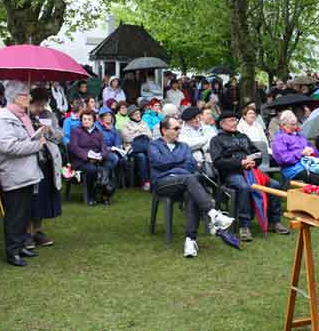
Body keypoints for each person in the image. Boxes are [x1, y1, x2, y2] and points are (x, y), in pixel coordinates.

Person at [148, 116, 234, 257]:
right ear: (164, 130)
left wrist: (173, 166)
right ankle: (213, 213)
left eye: (179, 128)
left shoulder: (183, 146)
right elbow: (159, 162)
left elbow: (191, 165)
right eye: (176, 128)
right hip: (163, 183)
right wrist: (179, 165)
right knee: (190, 178)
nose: (179, 131)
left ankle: (190, 240)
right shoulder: (154, 146)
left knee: (191, 191)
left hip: (184, 182)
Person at [0, 81, 44, 266]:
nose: (29, 97)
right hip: (13, 173)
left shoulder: (20, 116)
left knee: (23, 212)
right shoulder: (3, 120)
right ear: (15, 97)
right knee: (15, 214)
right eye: (25, 95)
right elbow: (8, 147)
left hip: (24, 172)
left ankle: (20, 246)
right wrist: (36, 145)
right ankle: (12, 251)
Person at [209, 111, 289, 242]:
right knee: (244, 187)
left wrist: (253, 162)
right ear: (222, 124)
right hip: (231, 174)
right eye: (231, 120)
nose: (235, 123)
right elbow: (218, 162)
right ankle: (244, 225)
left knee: (275, 185)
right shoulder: (216, 140)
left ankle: (274, 221)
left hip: (252, 171)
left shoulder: (243, 137)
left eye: (235, 120)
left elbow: (257, 153)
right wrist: (240, 163)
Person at [26, 88, 63, 248]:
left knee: (43, 197)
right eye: (37, 105)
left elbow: (60, 136)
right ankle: (26, 232)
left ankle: (37, 230)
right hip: (31, 162)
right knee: (31, 198)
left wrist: (49, 131)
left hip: (48, 161)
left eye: (43, 105)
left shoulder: (48, 116)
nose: (40, 109)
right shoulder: (23, 116)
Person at [68, 109, 115, 205]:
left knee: (109, 164)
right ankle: (91, 196)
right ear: (81, 120)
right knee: (91, 169)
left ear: (94, 121)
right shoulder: (76, 131)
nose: (86, 121)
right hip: (81, 161)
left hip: (97, 159)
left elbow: (104, 147)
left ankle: (105, 193)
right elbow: (73, 148)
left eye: (89, 119)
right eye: (84, 119)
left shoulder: (98, 132)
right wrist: (88, 156)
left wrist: (102, 155)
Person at [272, 110, 319, 185]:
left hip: (308, 164)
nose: (295, 127)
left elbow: (315, 151)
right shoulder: (280, 139)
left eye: (295, 124)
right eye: (292, 125)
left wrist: (312, 151)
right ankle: (316, 192)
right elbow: (283, 159)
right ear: (283, 125)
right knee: (316, 178)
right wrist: (301, 153)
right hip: (292, 169)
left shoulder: (300, 136)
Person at [121, 105, 152, 191]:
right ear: (131, 116)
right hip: (132, 148)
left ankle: (154, 179)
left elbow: (150, 135)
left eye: (138, 113)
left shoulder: (144, 123)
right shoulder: (125, 125)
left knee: (151, 155)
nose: (138, 115)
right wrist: (141, 133)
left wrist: (136, 132)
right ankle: (145, 182)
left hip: (145, 147)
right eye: (135, 114)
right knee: (142, 156)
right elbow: (127, 138)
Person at [96, 106, 128, 185]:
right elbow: (98, 143)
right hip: (101, 150)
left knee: (123, 159)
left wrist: (117, 148)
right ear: (101, 117)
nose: (108, 117)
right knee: (114, 158)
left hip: (112, 150)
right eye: (106, 115)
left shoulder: (113, 128)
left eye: (110, 115)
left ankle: (114, 181)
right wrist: (109, 148)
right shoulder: (97, 127)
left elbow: (117, 142)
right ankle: (105, 178)